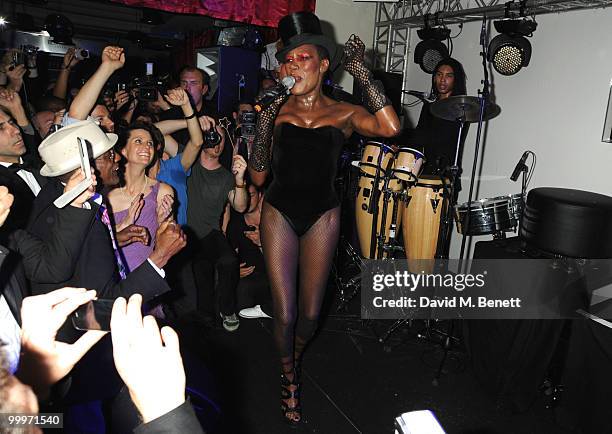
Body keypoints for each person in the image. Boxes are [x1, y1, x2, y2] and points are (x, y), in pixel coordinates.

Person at [248, 11, 400, 425]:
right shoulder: (276, 112)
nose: (293, 66)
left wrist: (361, 71)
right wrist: (264, 121)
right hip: (279, 211)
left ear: (324, 63)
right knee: (285, 313)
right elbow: (258, 177)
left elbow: (389, 127)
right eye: (287, 60)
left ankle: (292, 353)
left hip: (324, 214)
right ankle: (288, 378)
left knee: (311, 315)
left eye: (303, 58)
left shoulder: (344, 113)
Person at [186, 125, 248, 332]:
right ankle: (205, 316)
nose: (217, 142)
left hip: (210, 233)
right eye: (213, 137)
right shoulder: (187, 163)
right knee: (201, 268)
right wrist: (193, 121)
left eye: (222, 139)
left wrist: (239, 181)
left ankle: (227, 309)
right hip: (185, 231)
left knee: (229, 260)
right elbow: (160, 135)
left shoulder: (225, 176)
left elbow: (240, 205)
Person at [108, 122, 175, 273]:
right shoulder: (107, 193)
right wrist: (124, 223)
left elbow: (168, 246)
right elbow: (93, 242)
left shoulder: (162, 191)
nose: (147, 147)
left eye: (150, 143)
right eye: (138, 141)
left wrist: (161, 221)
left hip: (144, 278)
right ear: (123, 150)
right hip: (108, 277)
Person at [411, 57, 468, 177]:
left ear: (455, 80)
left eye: (448, 76)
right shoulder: (428, 107)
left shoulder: (461, 109)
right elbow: (418, 137)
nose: (442, 80)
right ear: (434, 77)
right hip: (424, 172)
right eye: (439, 74)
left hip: (445, 176)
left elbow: (444, 140)